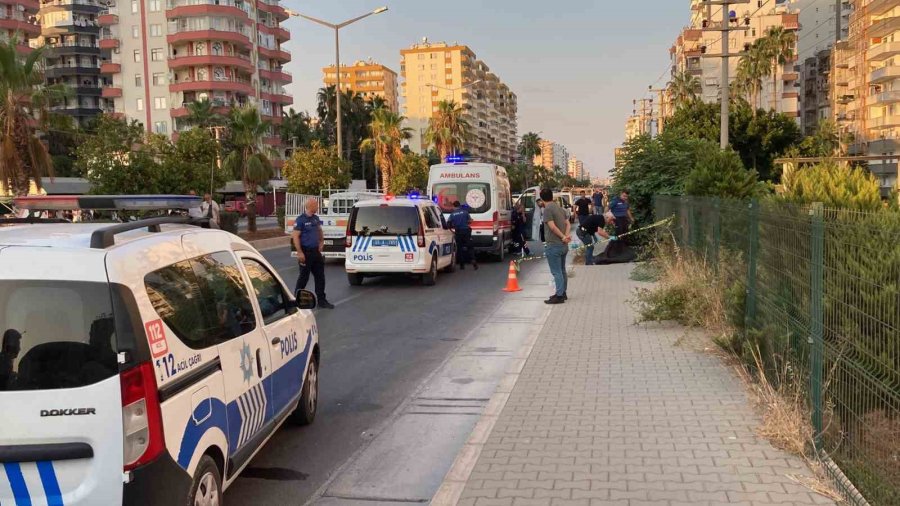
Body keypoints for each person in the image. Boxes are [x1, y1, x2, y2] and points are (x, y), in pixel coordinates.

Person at [292, 199, 334, 309]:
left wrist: (321, 242)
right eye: (316, 205)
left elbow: (319, 230)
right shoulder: (301, 220)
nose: (318, 207)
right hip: (306, 252)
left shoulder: (316, 218)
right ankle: (296, 300)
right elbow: (295, 236)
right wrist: (300, 252)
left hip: (315, 252)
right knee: (303, 277)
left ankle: (321, 300)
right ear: (311, 206)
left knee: (320, 276)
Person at [540, 188, 570, 305]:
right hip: (563, 245)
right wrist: (566, 236)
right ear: (552, 196)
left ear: (542, 198)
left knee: (556, 272)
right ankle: (563, 292)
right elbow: (567, 223)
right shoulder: (560, 208)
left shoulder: (547, 209)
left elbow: (552, 227)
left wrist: (562, 236)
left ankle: (559, 296)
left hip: (554, 245)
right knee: (562, 270)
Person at [448, 201, 478, 270]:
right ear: (459, 205)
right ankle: (473, 261)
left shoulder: (452, 214)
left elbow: (449, 223)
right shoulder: (465, 212)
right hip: (466, 232)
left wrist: (452, 228)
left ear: (454, 206)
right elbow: (469, 221)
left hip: (458, 232)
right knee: (470, 247)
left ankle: (462, 265)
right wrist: (468, 221)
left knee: (460, 248)